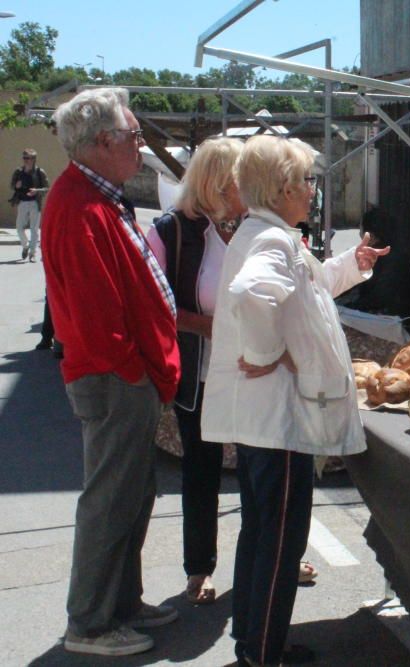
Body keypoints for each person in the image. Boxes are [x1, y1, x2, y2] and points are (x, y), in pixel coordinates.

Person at [200, 135, 388, 667]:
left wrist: (354, 262)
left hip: (270, 421)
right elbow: (252, 295)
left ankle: (257, 643)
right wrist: (267, 353)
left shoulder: (272, 235)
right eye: (307, 182)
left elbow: (311, 286)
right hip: (278, 420)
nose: (312, 191)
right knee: (280, 542)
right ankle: (262, 652)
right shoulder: (272, 241)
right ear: (283, 189)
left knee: (264, 533)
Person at [42, 87, 181, 656]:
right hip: (114, 378)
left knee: (131, 495)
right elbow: (98, 318)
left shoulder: (97, 195)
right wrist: (135, 374)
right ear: (104, 142)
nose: (141, 144)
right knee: (109, 501)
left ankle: (121, 606)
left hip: (123, 376)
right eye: (133, 135)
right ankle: (91, 624)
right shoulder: (78, 205)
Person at [146, 137, 247, 607]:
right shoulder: (170, 231)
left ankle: (274, 556)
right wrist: (212, 327)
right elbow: (155, 306)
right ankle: (199, 568)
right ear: (215, 180)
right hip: (200, 372)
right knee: (202, 470)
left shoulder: (253, 226)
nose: (245, 187)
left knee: (261, 467)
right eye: (238, 177)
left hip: (253, 371)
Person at [338, 207, 410, 335]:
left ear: (372, 236)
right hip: (385, 317)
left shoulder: (392, 259)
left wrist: (351, 306)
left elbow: (379, 298)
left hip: (396, 327)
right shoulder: (390, 252)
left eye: (362, 230)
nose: (360, 235)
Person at [10, 148, 49, 262]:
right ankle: (25, 246)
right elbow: (12, 185)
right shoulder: (18, 172)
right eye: (25, 158)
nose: (27, 160)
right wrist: (16, 186)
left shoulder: (39, 172)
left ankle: (32, 253)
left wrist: (37, 190)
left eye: (29, 158)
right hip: (22, 202)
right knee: (19, 228)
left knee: (34, 229)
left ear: (34, 159)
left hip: (35, 203)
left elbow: (47, 188)